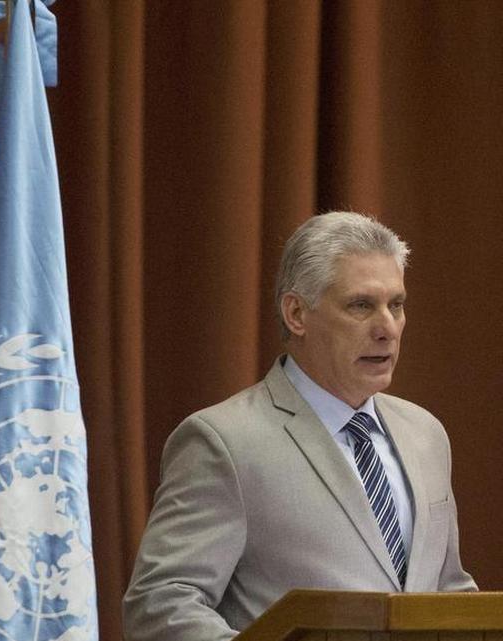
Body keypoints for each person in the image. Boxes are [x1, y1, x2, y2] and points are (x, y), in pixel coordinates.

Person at [123, 211, 477, 641]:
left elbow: (449, 592)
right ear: (296, 314)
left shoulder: (425, 434)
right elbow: (160, 604)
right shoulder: (225, 442)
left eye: (396, 305)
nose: (387, 328)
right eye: (361, 305)